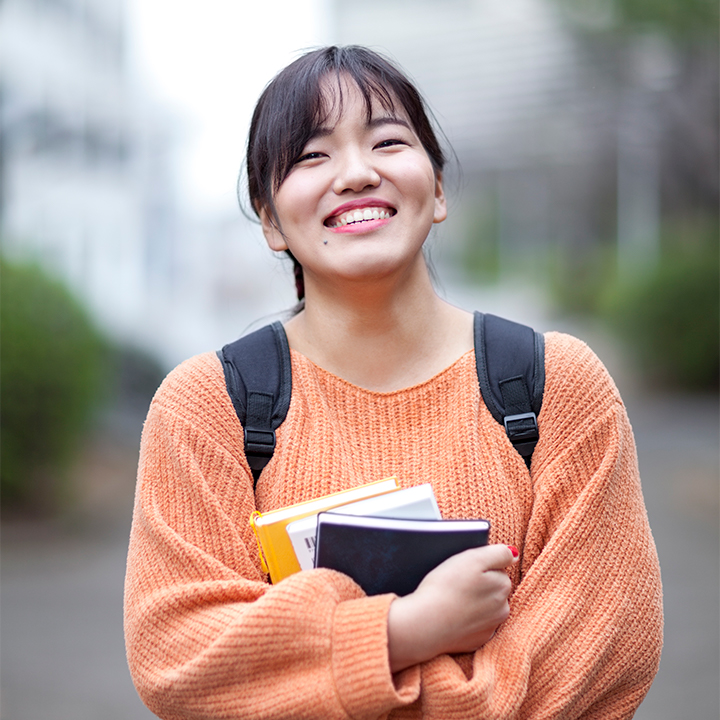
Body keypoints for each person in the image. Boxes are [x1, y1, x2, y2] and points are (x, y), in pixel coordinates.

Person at [124, 45, 663, 719]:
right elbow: (181, 661)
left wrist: (307, 680)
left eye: (387, 141)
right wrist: (404, 631)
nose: (355, 173)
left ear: (437, 189)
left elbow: (597, 661)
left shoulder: (557, 386)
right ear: (268, 219)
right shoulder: (206, 408)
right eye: (311, 156)